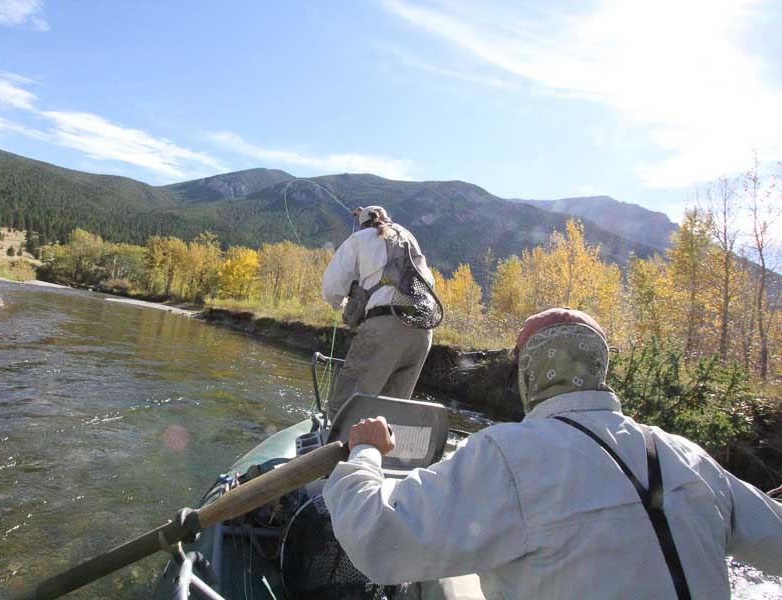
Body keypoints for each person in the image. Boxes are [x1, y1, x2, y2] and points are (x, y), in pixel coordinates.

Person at [323, 307, 782, 599]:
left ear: (527, 373)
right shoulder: (689, 456)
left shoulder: (508, 453)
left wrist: (365, 454)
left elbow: (376, 540)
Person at [322, 205, 436, 422]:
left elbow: (331, 289)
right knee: (388, 414)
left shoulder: (360, 238)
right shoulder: (407, 236)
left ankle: (335, 448)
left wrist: (342, 304)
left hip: (384, 326)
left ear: (363, 224)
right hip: (423, 331)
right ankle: (378, 451)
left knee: (347, 405)